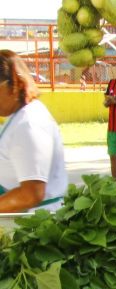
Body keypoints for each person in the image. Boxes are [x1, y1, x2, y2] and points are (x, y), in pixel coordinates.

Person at [0, 49, 66, 213]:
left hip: (35, 223)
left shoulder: (29, 124)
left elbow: (31, 194)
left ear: (15, 83)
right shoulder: (18, 116)